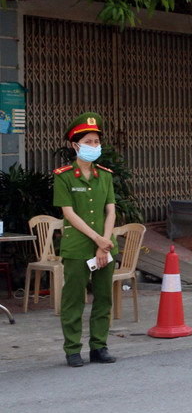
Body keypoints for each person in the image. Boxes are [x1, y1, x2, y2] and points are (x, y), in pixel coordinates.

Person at [53, 112, 119, 367]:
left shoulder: (106, 175)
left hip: (105, 243)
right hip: (78, 246)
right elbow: (68, 213)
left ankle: (99, 347)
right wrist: (98, 240)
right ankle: (72, 349)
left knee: (104, 297)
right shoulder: (64, 176)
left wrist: (105, 241)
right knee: (74, 299)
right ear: (75, 145)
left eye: (96, 142)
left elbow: (110, 210)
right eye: (89, 142)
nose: (94, 146)